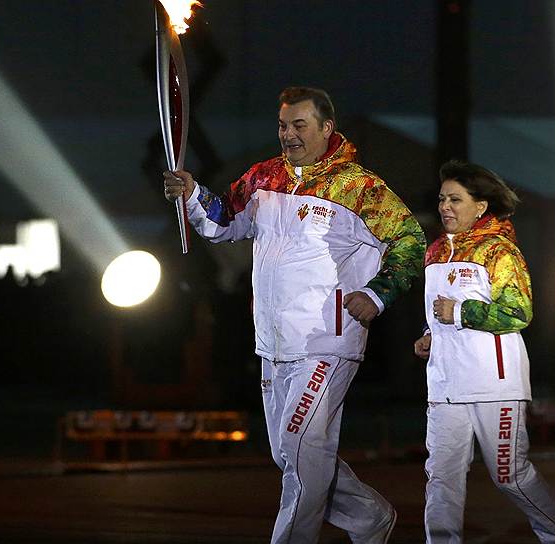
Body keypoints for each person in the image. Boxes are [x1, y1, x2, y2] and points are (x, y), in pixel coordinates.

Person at [163, 86, 426, 543]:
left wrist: (377, 294)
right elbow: (225, 221)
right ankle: (369, 518)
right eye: (283, 125)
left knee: (302, 452)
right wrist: (191, 194)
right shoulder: (263, 178)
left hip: (327, 341)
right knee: (293, 454)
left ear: (326, 127)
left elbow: (410, 242)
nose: (288, 135)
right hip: (273, 342)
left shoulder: (359, 188)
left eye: (299, 125)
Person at [414, 160, 555, 543]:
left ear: (480, 206)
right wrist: (429, 334)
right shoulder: (435, 251)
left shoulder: (499, 251)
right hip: (445, 385)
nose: (445, 207)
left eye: (456, 199)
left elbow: (519, 311)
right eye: (442, 199)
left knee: (509, 475)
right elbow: (439, 313)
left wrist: (460, 312)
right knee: (441, 476)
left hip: (495, 385)